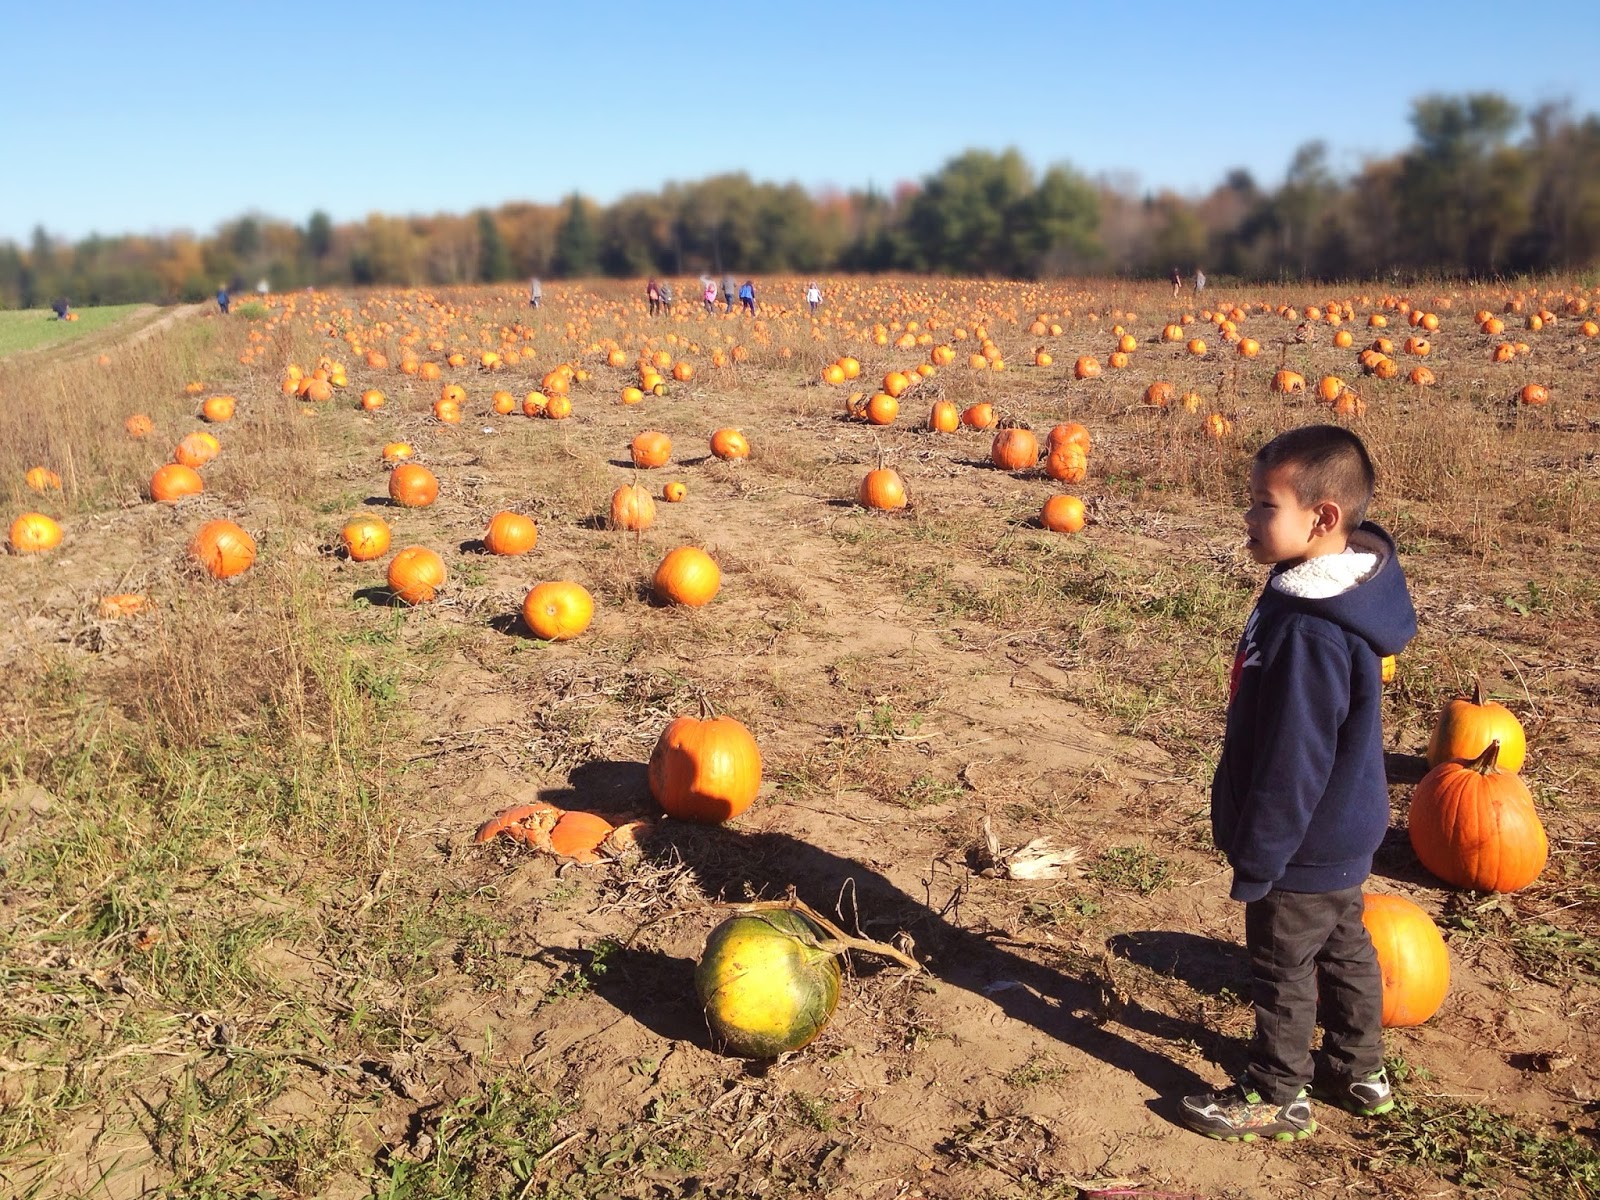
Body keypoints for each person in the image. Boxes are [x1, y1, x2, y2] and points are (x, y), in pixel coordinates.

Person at [1177, 424, 1417, 1142]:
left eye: (1262, 505)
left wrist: (1261, 855)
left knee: (1282, 965)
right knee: (1345, 947)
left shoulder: (1309, 632)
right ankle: (1357, 1069)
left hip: (1301, 841)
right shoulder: (1324, 591)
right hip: (1345, 830)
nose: (1248, 519)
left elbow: (1295, 757)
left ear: (1322, 519)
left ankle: (1278, 1089)